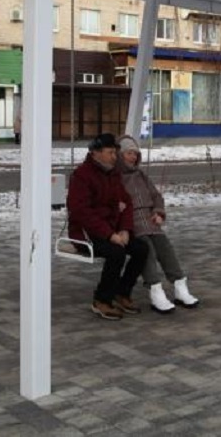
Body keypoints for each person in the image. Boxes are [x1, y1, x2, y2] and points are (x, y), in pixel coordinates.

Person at [67, 133, 149, 321]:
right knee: (116, 253)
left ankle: (122, 292)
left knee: (141, 249)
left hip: (112, 229)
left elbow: (126, 202)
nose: (114, 157)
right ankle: (101, 299)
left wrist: (125, 229)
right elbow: (81, 212)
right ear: (95, 153)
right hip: (86, 233)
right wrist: (110, 234)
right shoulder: (82, 175)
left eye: (115, 152)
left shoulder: (113, 174)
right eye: (110, 152)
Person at [116, 135, 199, 314]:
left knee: (164, 246)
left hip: (150, 219)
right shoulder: (115, 177)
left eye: (135, 154)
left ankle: (180, 286)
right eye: (129, 153)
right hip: (131, 221)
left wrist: (158, 212)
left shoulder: (140, 175)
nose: (133, 157)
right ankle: (155, 290)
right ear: (120, 155)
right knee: (147, 249)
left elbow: (156, 196)